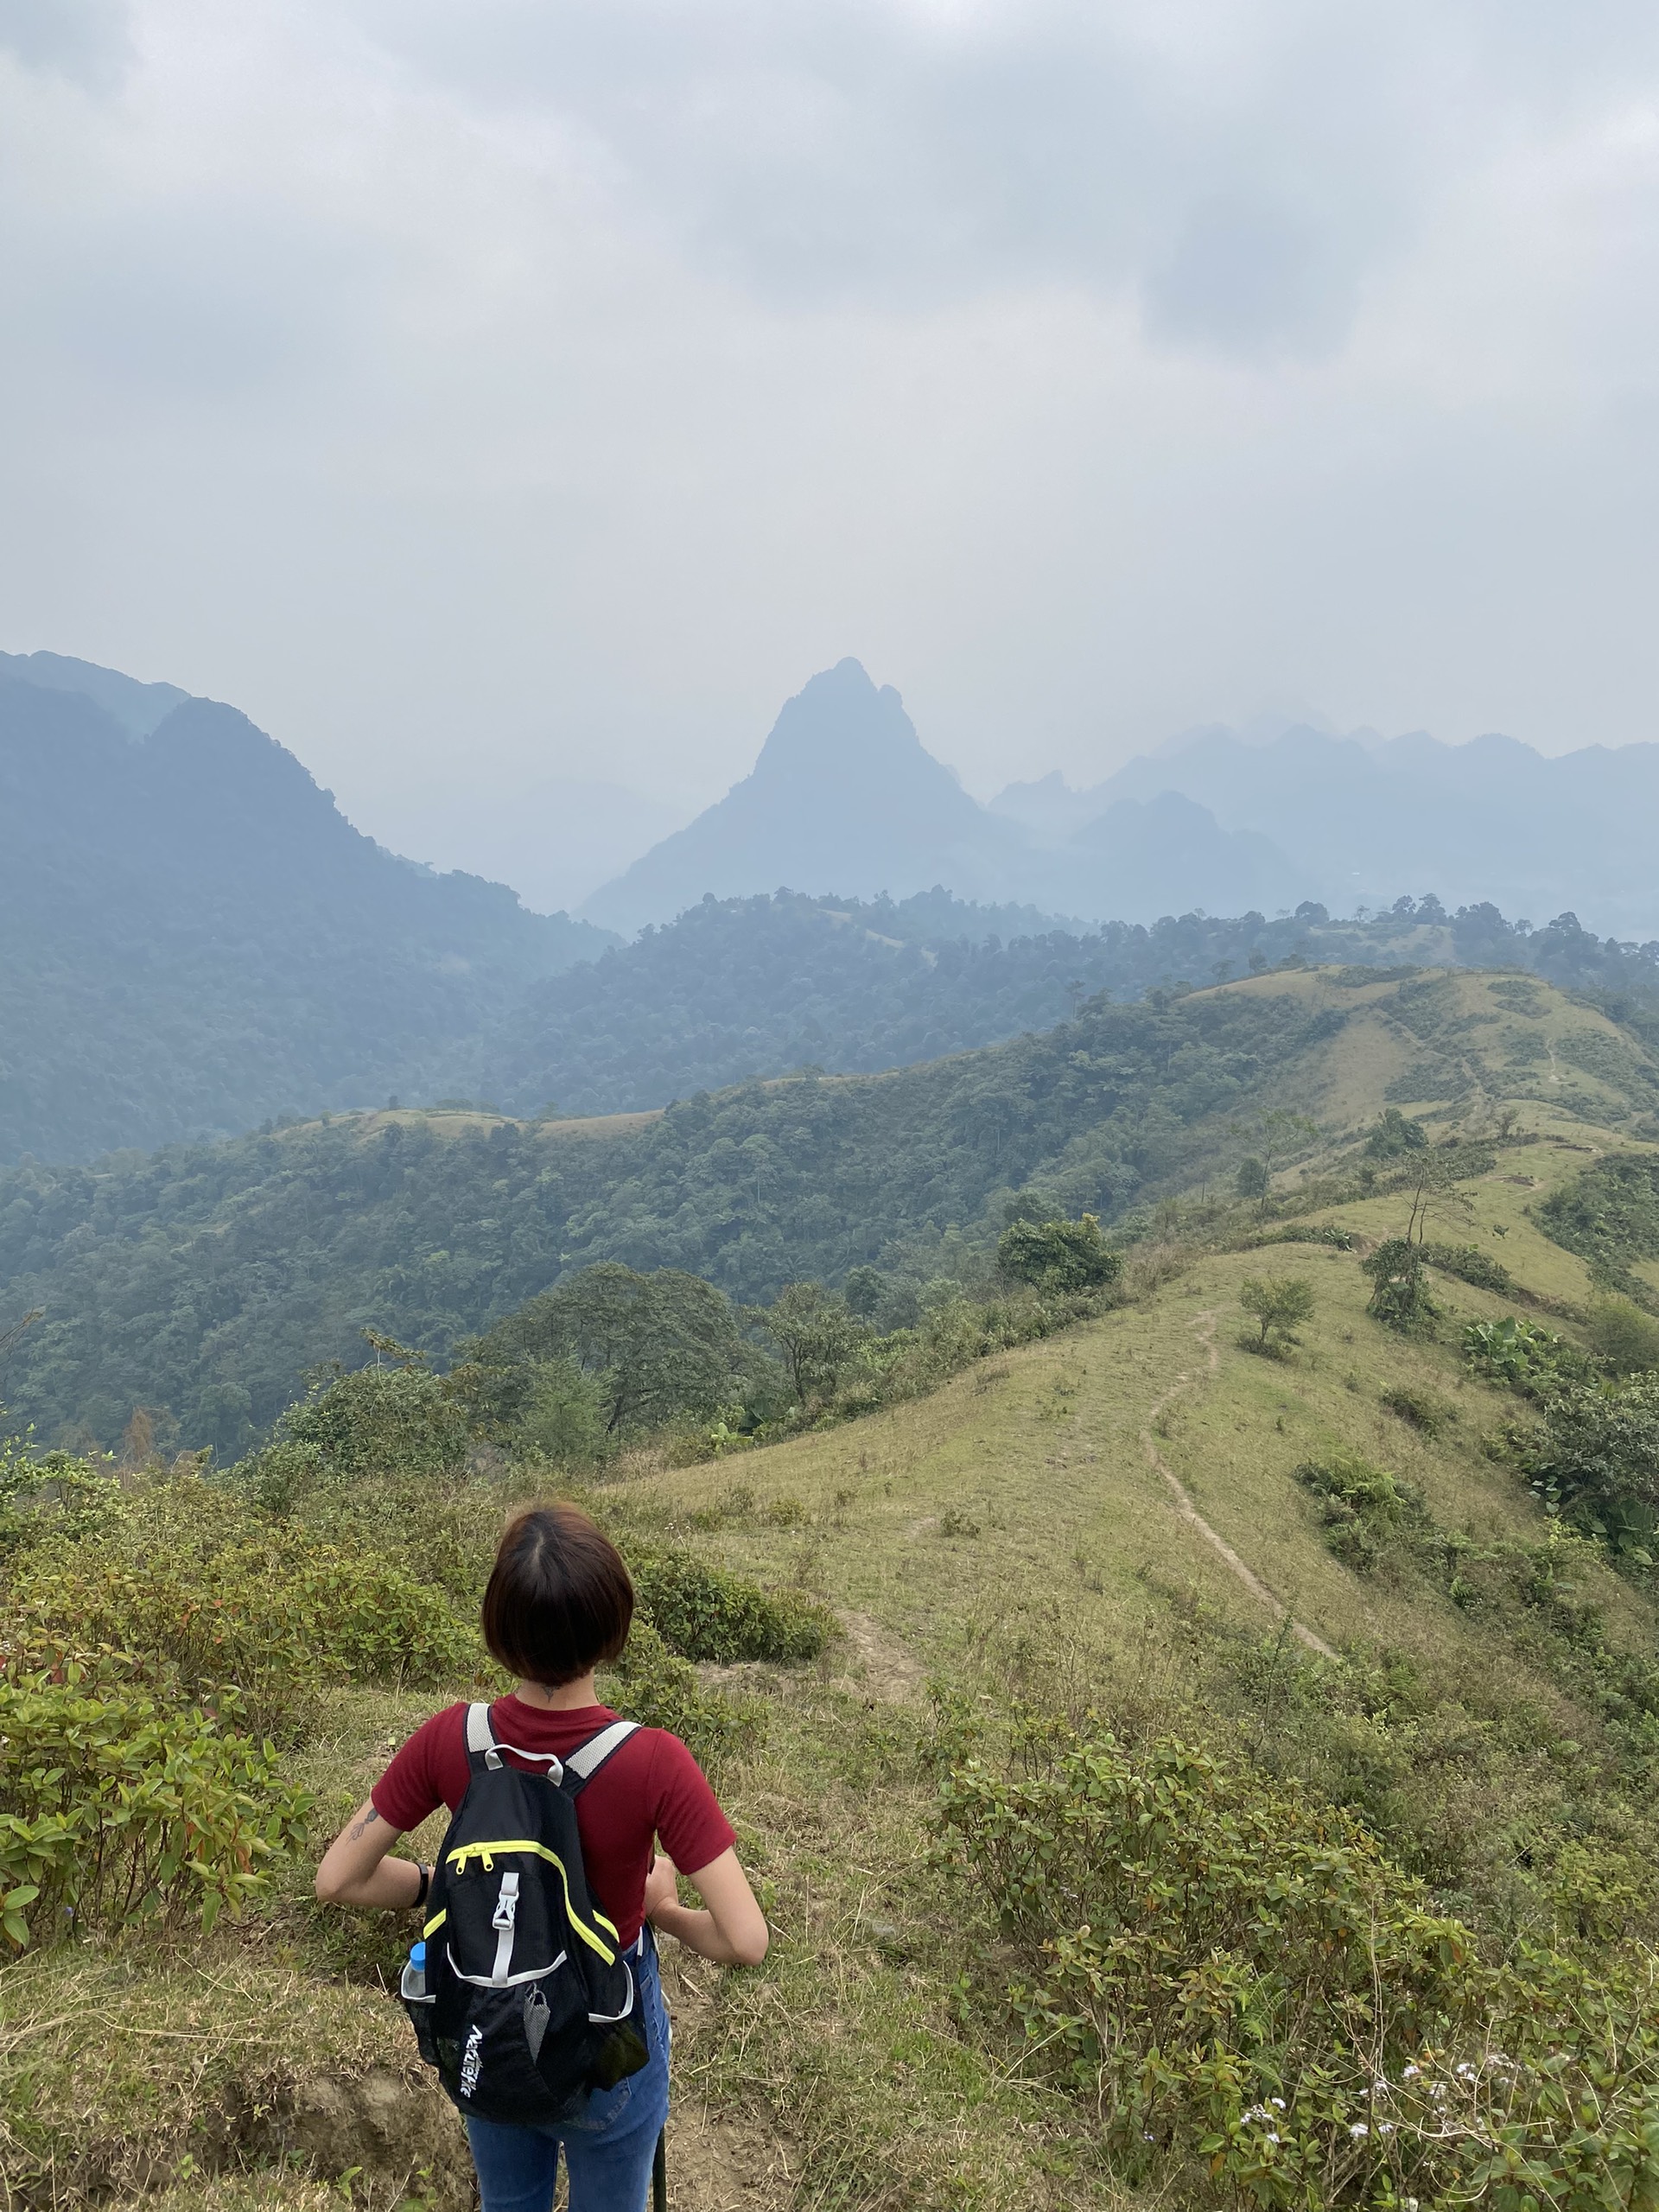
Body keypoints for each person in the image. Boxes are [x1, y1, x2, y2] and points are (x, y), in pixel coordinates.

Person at [315, 1502, 768, 2212]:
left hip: (487, 2027)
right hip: (604, 2037)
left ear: (499, 1628)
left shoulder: (449, 1739)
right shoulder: (653, 1761)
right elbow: (746, 1940)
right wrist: (666, 1911)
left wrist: (439, 1886)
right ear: (612, 1626)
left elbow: (338, 1877)